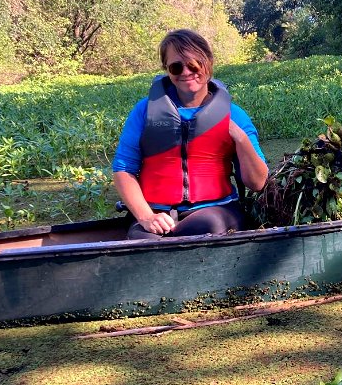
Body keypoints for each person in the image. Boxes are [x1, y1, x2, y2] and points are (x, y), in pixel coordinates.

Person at [112, 29, 268, 239]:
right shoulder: (144, 111)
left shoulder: (235, 115)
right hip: (157, 214)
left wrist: (240, 138)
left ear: (208, 63)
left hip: (218, 211)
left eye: (194, 64)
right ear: (167, 70)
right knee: (145, 239)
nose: (186, 72)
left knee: (209, 225)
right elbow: (123, 169)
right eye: (176, 67)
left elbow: (257, 183)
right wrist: (147, 217)